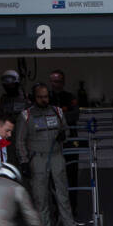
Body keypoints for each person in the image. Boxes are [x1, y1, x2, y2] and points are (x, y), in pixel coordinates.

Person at [18, 84, 80, 226]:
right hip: (37, 159)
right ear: (34, 97)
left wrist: (63, 135)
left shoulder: (57, 111)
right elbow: (19, 141)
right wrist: (24, 162)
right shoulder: (26, 115)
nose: (44, 99)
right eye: (40, 97)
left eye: (46, 96)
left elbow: (65, 128)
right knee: (41, 196)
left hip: (56, 156)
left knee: (62, 193)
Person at [48, 68, 80, 203]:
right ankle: (56, 208)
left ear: (64, 82)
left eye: (59, 81)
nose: (57, 84)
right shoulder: (46, 97)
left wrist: (55, 118)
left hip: (70, 140)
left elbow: (75, 115)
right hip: (51, 142)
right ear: (50, 82)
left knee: (72, 174)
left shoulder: (70, 97)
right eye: (54, 81)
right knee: (53, 176)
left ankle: (73, 207)